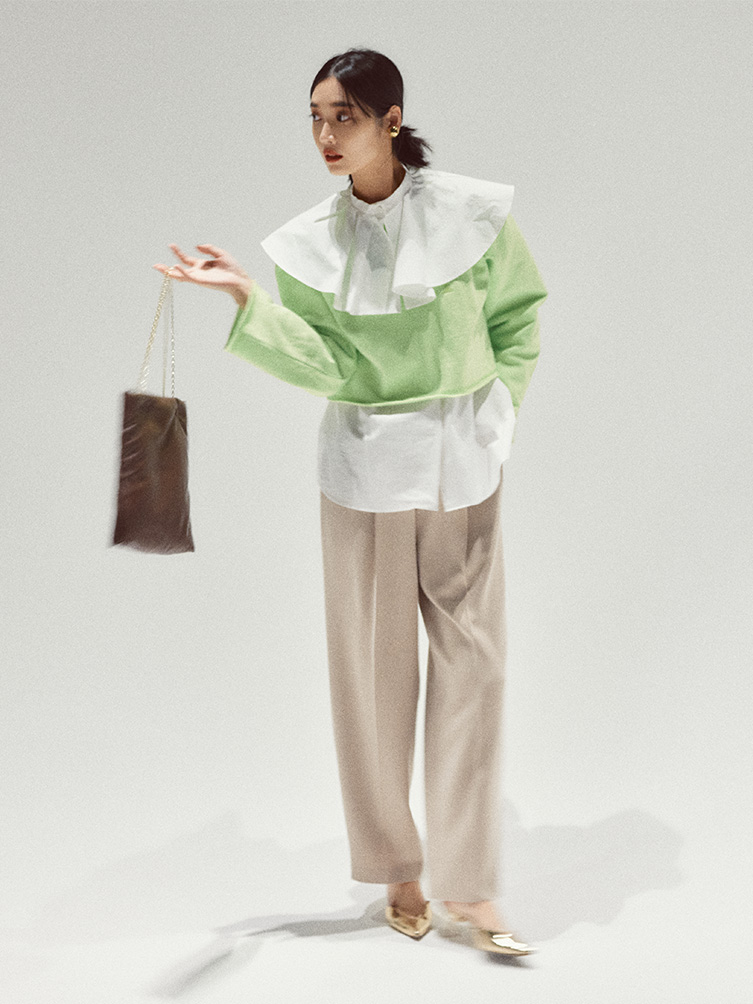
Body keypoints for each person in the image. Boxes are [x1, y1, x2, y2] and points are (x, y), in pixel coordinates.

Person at [153, 48, 547, 956]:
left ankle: (471, 886)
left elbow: (518, 316)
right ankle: (399, 870)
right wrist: (247, 299)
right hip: (365, 472)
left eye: (344, 116)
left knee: (476, 672)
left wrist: (498, 412)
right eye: (316, 118)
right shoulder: (308, 245)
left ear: (390, 120)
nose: (326, 135)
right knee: (373, 678)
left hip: (463, 463)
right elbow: (328, 365)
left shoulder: (474, 215)